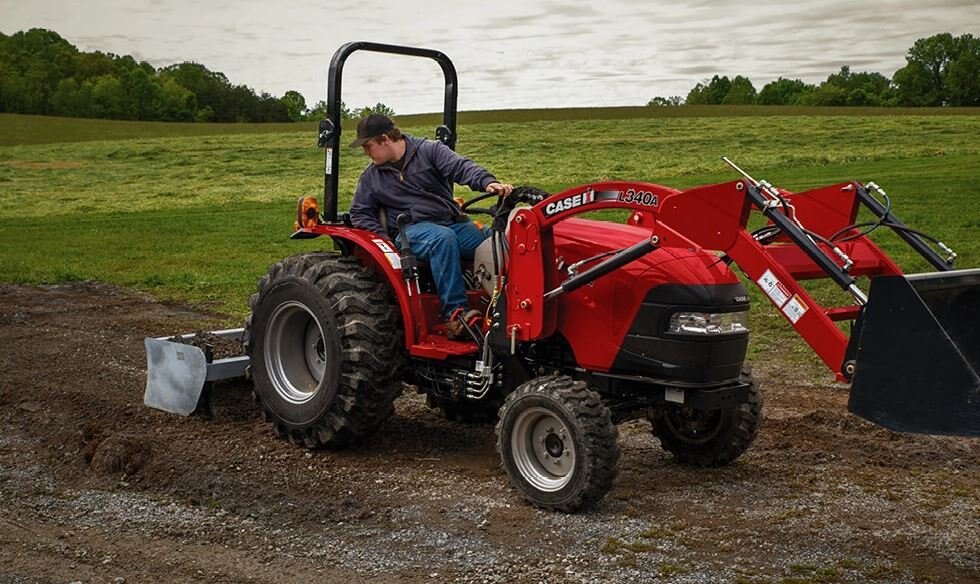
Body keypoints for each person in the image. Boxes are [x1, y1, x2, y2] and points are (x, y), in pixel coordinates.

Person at [348, 114, 513, 338]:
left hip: (450, 222)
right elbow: (360, 212)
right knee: (441, 239)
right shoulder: (371, 178)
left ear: (385, 139)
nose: (366, 152)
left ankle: (510, 305)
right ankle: (455, 315)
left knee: (496, 241)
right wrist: (383, 241)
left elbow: (461, 167)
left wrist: (487, 182)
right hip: (411, 231)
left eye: (367, 146)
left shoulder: (430, 151)